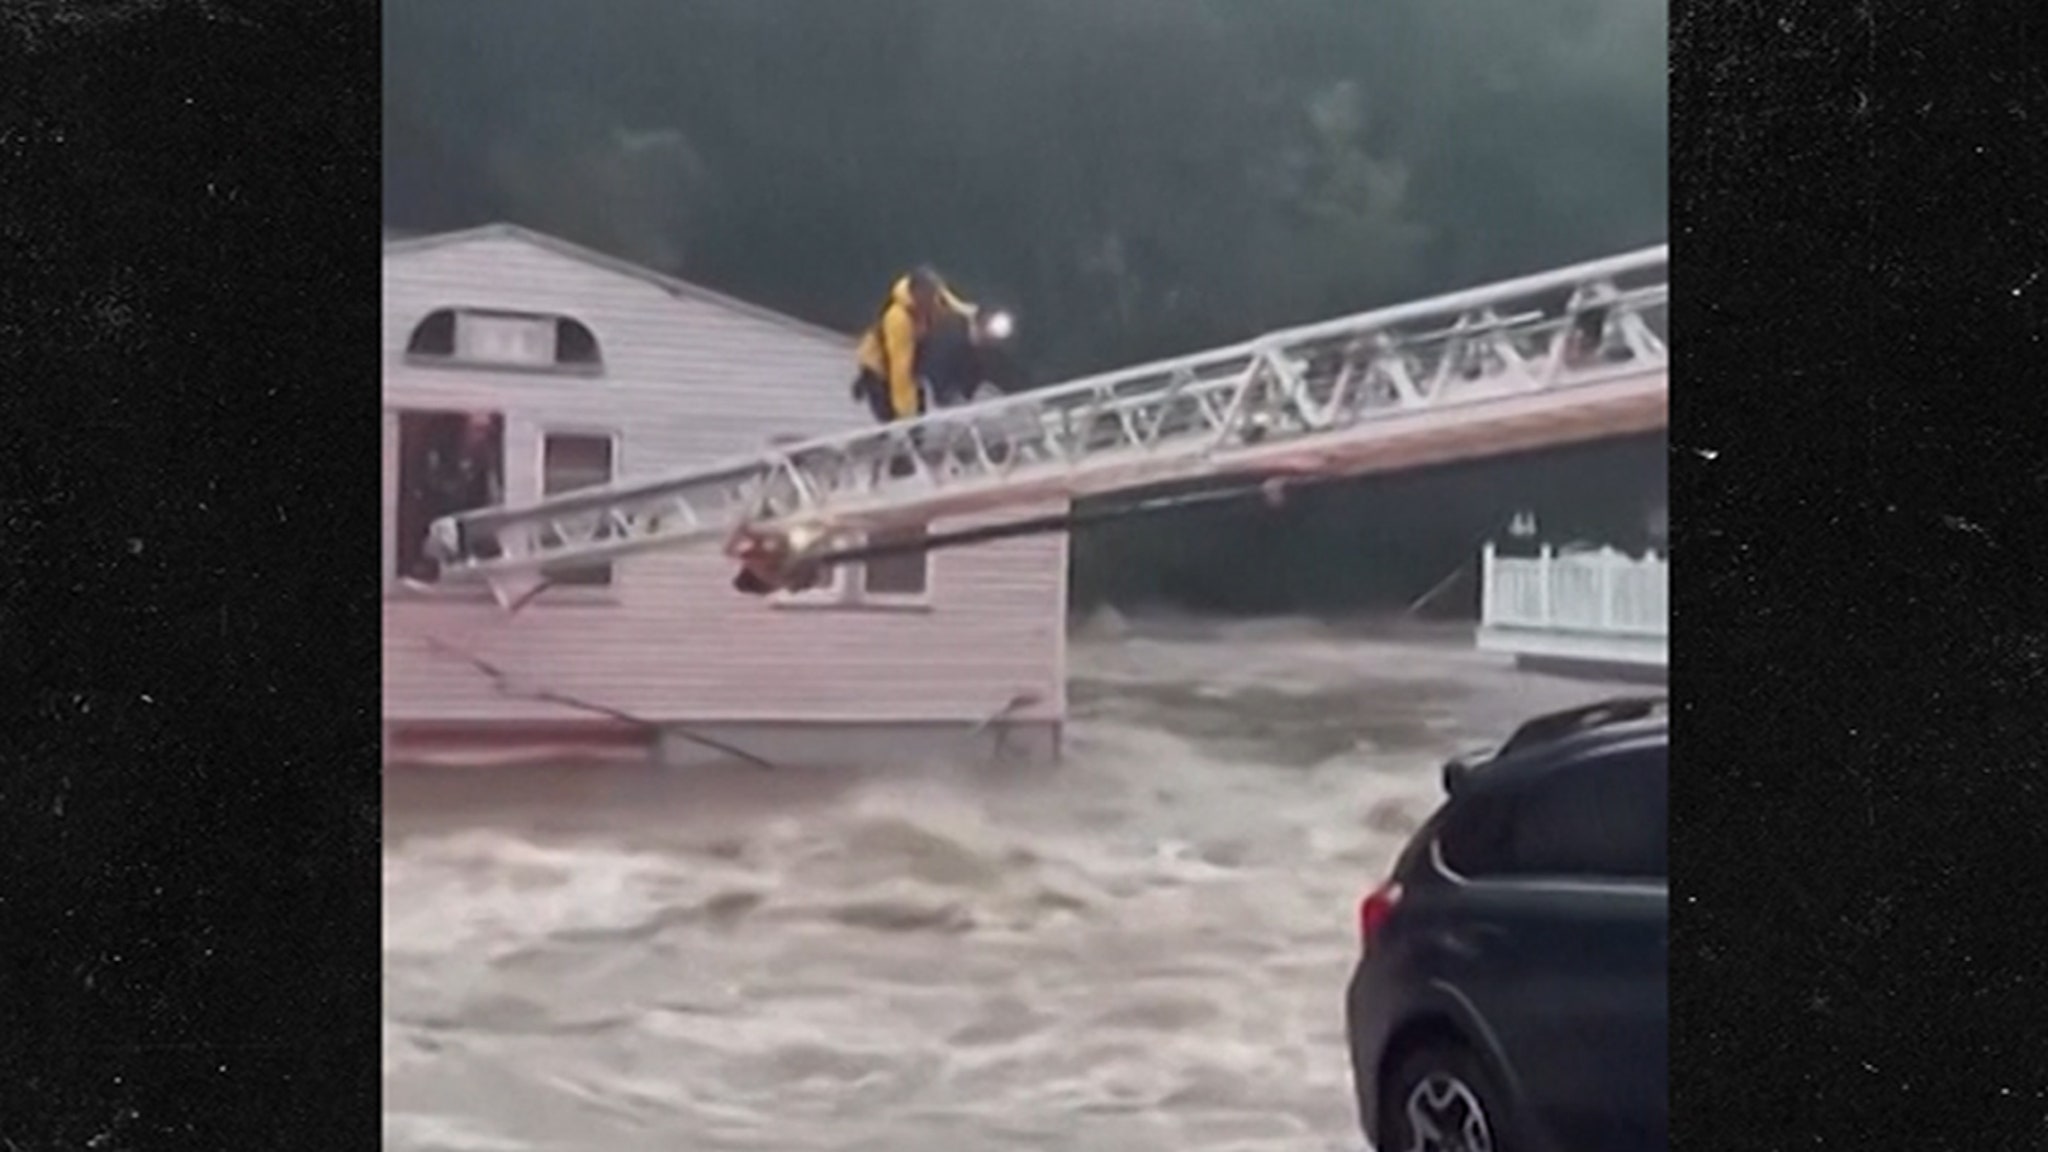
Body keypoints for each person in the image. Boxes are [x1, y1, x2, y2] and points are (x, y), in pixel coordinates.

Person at [850, 265, 979, 425]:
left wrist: (976, 317)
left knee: (919, 412)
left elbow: (958, 308)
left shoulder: (935, 297)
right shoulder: (898, 320)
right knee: (889, 418)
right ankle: (866, 384)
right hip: (880, 366)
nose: (933, 302)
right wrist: (907, 417)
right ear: (915, 294)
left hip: (910, 350)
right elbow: (901, 371)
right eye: (927, 297)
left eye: (934, 295)